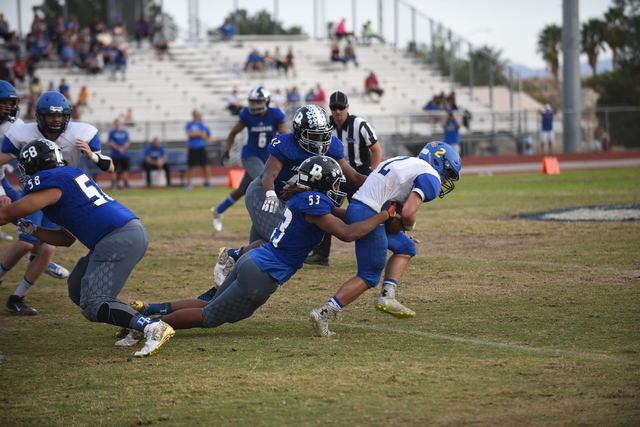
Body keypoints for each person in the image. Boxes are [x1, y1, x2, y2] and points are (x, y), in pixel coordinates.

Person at [123, 157, 391, 354]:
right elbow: (347, 233)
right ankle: (148, 325)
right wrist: (383, 215)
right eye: (333, 184)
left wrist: (379, 217)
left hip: (255, 259)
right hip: (263, 274)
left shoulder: (302, 197)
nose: (336, 189)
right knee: (211, 316)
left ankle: (148, 314)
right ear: (322, 183)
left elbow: (350, 219)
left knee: (210, 303)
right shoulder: (315, 203)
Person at [0, 139, 174, 357]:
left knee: (94, 303)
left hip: (118, 237)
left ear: (35, 165)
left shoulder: (50, 181)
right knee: (78, 289)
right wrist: (34, 230)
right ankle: (135, 324)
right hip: (121, 233)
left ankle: (151, 327)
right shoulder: (67, 177)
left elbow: (6, 214)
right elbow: (66, 238)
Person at [309, 141, 462, 337]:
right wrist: (408, 225)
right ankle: (323, 314)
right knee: (369, 275)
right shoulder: (430, 175)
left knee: (406, 247)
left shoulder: (401, 161)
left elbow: (388, 205)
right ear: (438, 162)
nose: (445, 179)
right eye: (447, 173)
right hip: (369, 213)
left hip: (360, 208)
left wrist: (401, 230)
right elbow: (407, 214)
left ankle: (387, 295)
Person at [212, 105, 367, 286]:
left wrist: (378, 183)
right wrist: (270, 194)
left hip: (289, 201)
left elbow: (353, 176)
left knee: (262, 254)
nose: (320, 140)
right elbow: (269, 174)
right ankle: (231, 255)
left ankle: (226, 285)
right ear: (300, 133)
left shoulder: (332, 146)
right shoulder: (286, 144)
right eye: (314, 134)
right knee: (283, 240)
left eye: (323, 134)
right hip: (264, 195)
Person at [0, 91, 114, 315]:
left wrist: (92, 156)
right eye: (50, 116)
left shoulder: (83, 133)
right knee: (25, 242)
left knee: (49, 247)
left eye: (60, 116)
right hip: (34, 192)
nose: (56, 120)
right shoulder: (21, 133)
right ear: (39, 116)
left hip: (62, 198)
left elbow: (109, 167)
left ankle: (17, 297)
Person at [305, 91, 382, 266]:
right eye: (334, 108)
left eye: (341, 107)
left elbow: (376, 150)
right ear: (330, 109)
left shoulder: (360, 125)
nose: (337, 111)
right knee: (324, 210)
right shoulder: (325, 126)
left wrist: (372, 173)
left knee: (369, 212)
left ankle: (386, 246)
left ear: (347, 107)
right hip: (334, 177)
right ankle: (321, 255)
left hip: (358, 175)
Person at [212, 87, 286, 232]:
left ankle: (218, 211)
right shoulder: (247, 114)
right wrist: (227, 150)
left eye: (258, 101)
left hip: (267, 157)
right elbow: (233, 132)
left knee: (242, 189)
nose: (254, 104)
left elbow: (285, 136)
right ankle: (276, 221)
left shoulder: (275, 114)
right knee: (267, 182)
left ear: (266, 101)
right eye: (252, 101)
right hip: (250, 155)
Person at [184, 110, 212, 190]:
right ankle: (188, 183)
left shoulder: (202, 124)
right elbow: (189, 134)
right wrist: (198, 134)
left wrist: (194, 134)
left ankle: (207, 182)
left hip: (201, 147)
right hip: (192, 147)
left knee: (205, 165)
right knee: (190, 166)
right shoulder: (189, 124)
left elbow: (204, 134)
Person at [108, 119, 131, 189]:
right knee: (114, 170)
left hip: (124, 154)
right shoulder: (112, 132)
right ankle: (113, 183)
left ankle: (125, 183)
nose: (117, 125)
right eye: (116, 123)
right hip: (115, 155)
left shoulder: (125, 132)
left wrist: (123, 148)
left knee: (125, 170)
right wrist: (118, 149)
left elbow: (128, 141)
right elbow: (111, 142)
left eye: (118, 123)